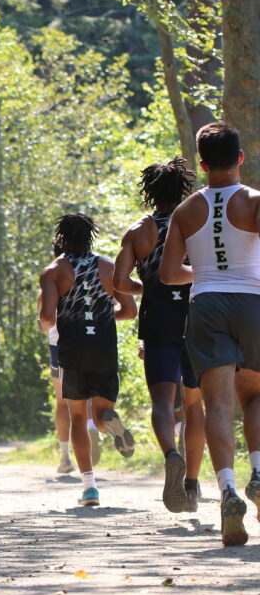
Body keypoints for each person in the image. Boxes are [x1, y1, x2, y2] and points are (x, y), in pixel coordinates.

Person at [160, 121, 260, 546]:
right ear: (240, 158)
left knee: (217, 405)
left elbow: (168, 275)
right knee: (254, 397)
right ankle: (258, 473)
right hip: (253, 303)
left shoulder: (185, 211)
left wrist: (205, 272)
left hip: (205, 306)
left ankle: (227, 491)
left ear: (202, 164)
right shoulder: (254, 201)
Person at [113, 158, 206, 513]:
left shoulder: (138, 231)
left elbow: (120, 283)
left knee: (163, 402)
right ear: (183, 188)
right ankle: (193, 486)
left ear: (148, 191)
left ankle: (171, 454)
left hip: (158, 320)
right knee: (195, 404)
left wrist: (148, 288)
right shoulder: (196, 220)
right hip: (197, 316)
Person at [39, 213, 137, 507]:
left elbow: (47, 319)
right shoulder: (109, 267)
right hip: (104, 347)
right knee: (100, 414)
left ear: (62, 239)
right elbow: (129, 311)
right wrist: (103, 318)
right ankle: (111, 422)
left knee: (78, 418)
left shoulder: (53, 271)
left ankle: (90, 487)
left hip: (73, 350)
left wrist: (46, 325)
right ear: (90, 237)